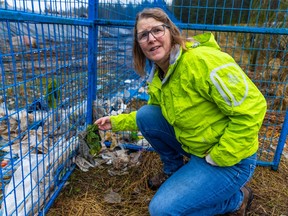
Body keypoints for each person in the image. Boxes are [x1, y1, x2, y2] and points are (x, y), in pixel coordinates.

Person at [95, 7, 267, 216]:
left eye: (157, 30)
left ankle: (237, 200)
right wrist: (116, 122)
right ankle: (175, 172)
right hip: (198, 149)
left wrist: (220, 156)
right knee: (146, 114)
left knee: (161, 211)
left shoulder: (201, 61)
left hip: (231, 159)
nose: (151, 39)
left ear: (171, 32)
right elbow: (154, 114)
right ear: (138, 44)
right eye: (143, 35)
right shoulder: (161, 74)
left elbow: (252, 108)